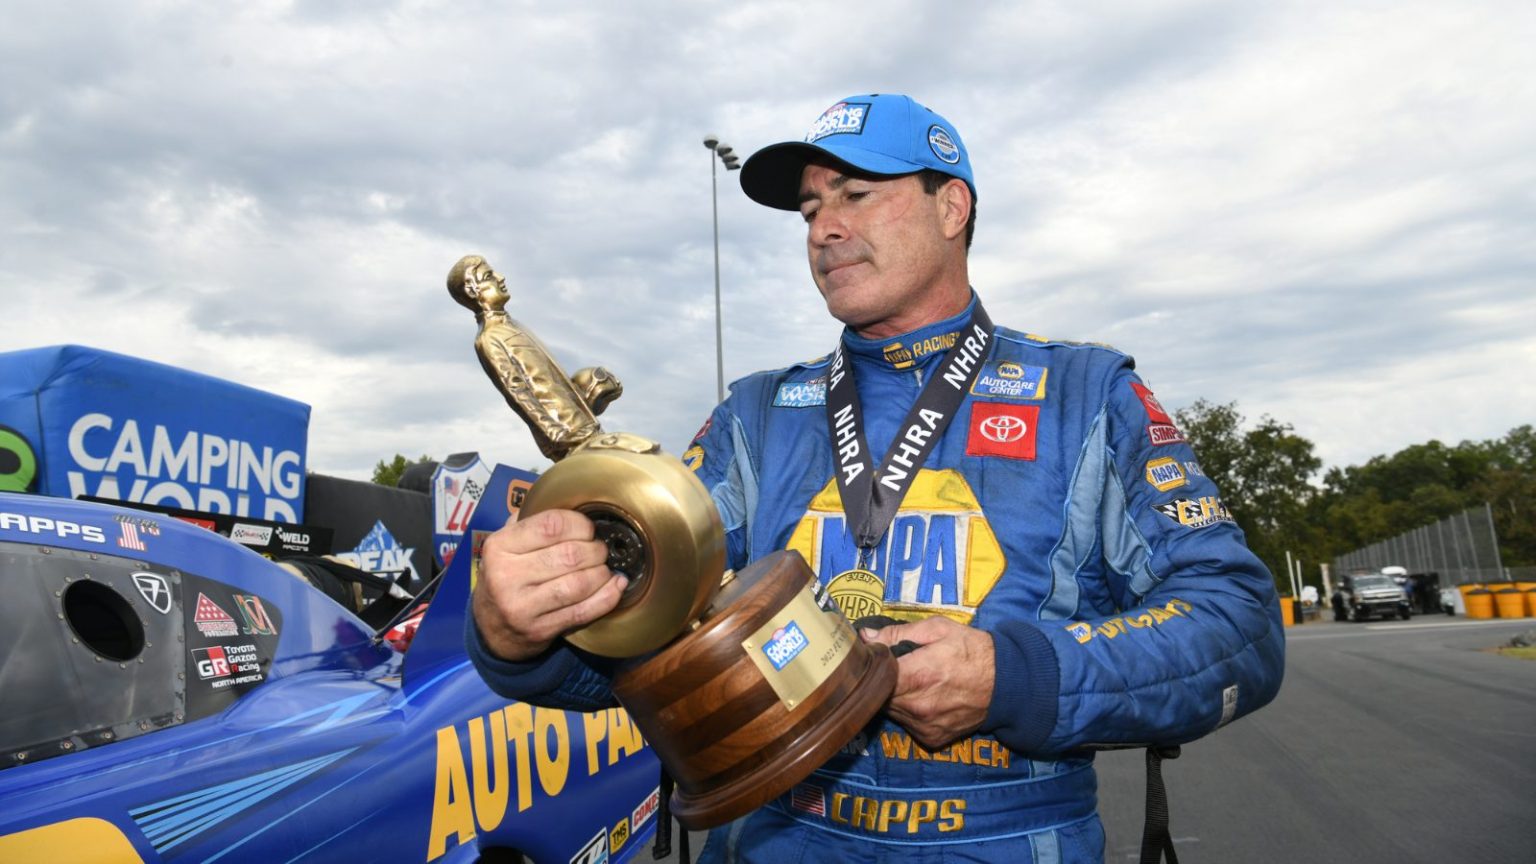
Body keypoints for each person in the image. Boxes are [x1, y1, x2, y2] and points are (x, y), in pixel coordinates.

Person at [467, 93, 1286, 863]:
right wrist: (523, 635)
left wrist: (1017, 676)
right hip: (778, 825)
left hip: (1007, 836)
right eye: (811, 208)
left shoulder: (1085, 395)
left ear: (952, 209)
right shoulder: (756, 416)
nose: (823, 228)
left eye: (855, 194)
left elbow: (1238, 624)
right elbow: (646, 661)